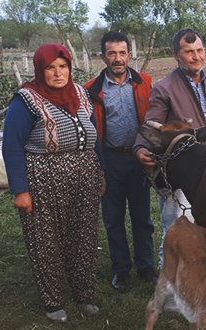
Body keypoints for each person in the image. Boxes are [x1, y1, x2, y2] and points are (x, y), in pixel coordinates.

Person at [2, 43, 104, 321]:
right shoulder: (26, 100)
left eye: (63, 66)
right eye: (51, 68)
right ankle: (52, 300)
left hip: (85, 174)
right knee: (45, 238)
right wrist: (20, 190)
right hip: (43, 178)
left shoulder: (81, 94)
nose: (58, 73)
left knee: (84, 234)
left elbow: (95, 136)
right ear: (40, 70)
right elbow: (11, 146)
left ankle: (84, 294)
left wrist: (101, 172)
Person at [133, 28, 206, 267]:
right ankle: (170, 291)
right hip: (182, 174)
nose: (196, 56)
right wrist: (139, 149)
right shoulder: (165, 88)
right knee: (177, 230)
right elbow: (152, 127)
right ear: (175, 55)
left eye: (199, 50)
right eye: (189, 52)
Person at [84, 31, 158, 293]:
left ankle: (146, 266)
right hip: (110, 159)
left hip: (139, 159)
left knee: (142, 218)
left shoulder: (145, 83)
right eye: (112, 53)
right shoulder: (91, 89)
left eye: (122, 52)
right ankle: (120, 270)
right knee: (113, 219)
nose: (117, 58)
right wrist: (98, 166)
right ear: (103, 56)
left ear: (129, 54)